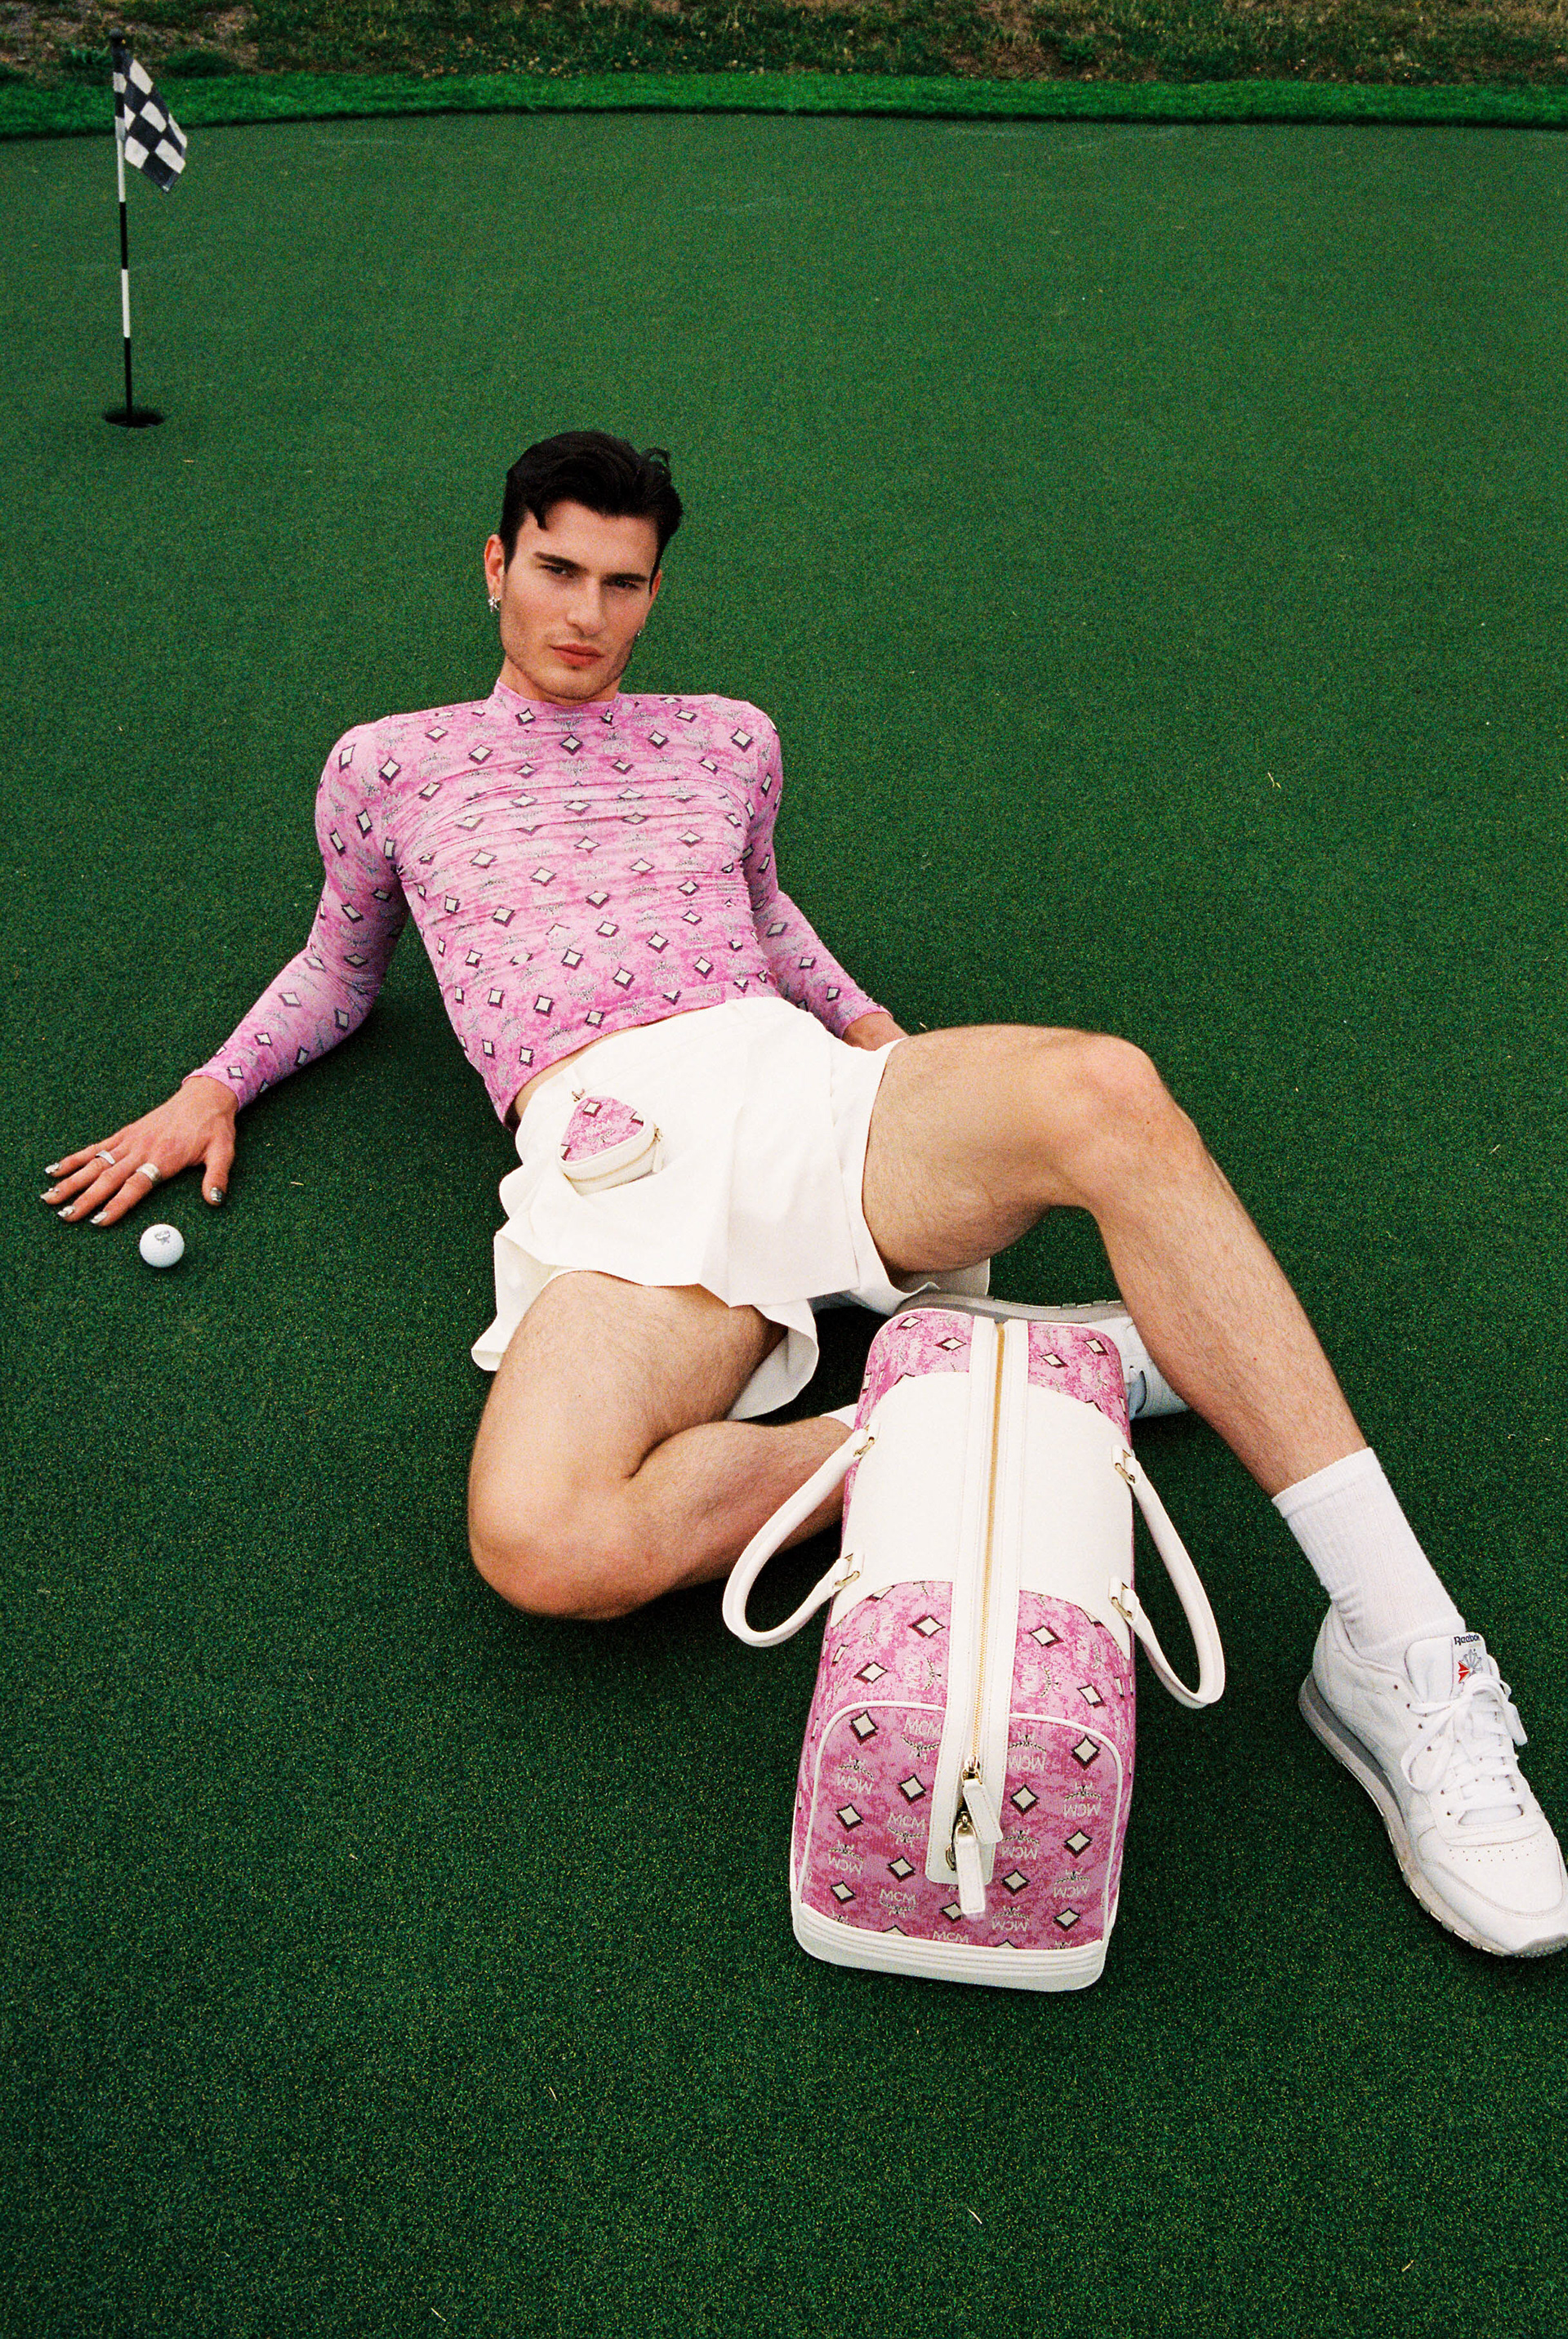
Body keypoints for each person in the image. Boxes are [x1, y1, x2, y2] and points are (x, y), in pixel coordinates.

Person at [42, 430, 1565, 1960]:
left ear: (656, 591)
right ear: (496, 565)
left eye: (624, 583)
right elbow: (339, 965)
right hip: (609, 1164)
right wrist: (213, 1085)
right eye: (557, 570)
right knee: (542, 1540)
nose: (586, 613)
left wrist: (885, 1044)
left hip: (791, 1091)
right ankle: (1027, 1388)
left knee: (1101, 1090)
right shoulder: (388, 766)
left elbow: (769, 921)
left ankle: (1405, 1658)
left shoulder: (727, 739)